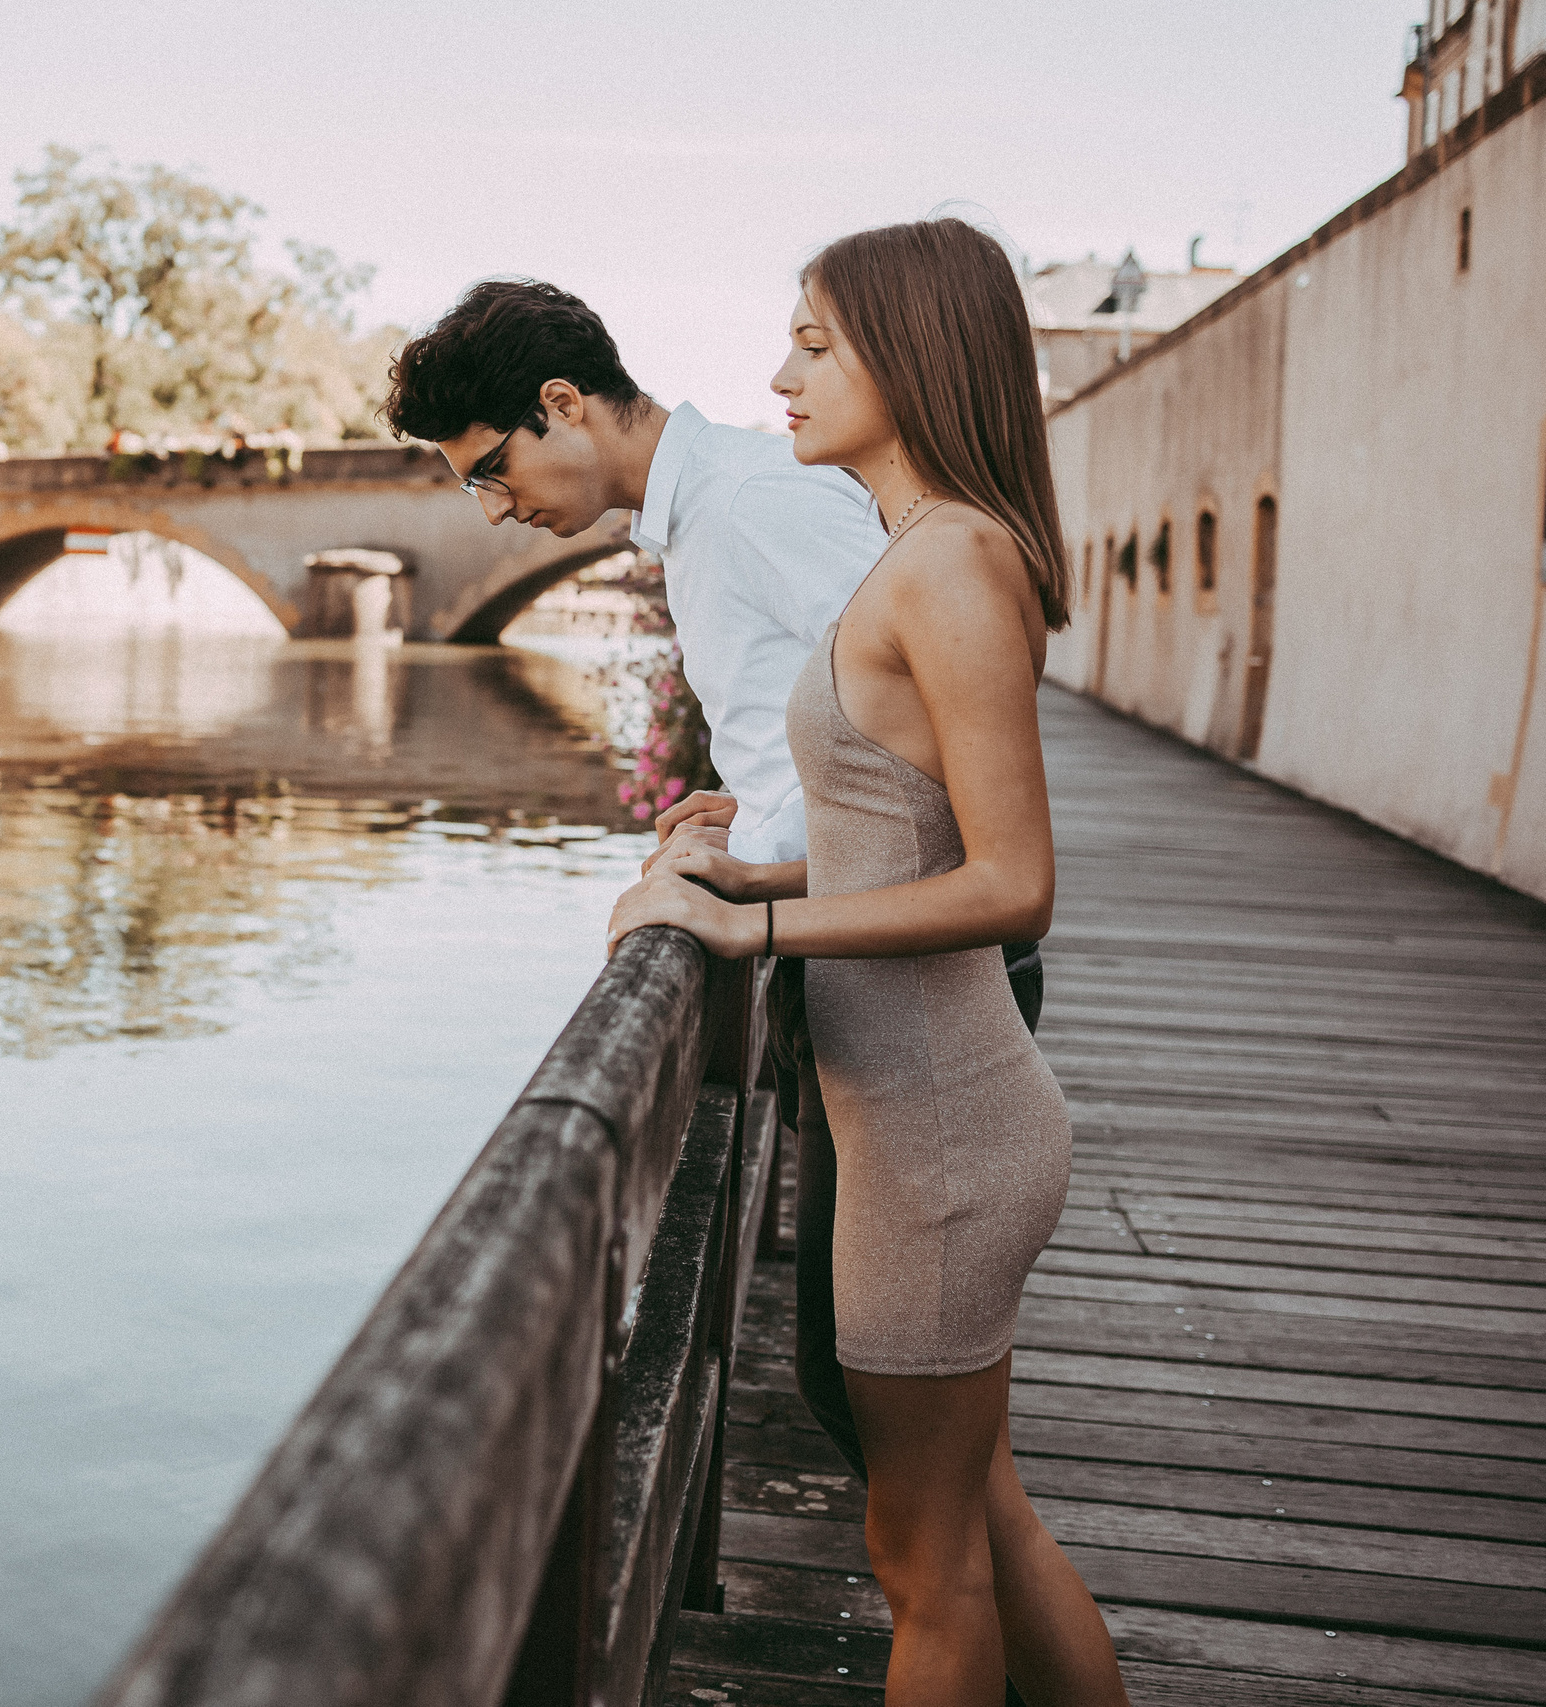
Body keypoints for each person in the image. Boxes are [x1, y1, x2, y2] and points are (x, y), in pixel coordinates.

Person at [378, 279, 1044, 1504]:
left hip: (922, 980)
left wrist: (748, 903)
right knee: (884, 1430)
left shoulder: (750, 504)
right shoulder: (711, 513)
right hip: (858, 949)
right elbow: (854, 725)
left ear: (563, 406)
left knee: (897, 1443)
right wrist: (758, 808)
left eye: (485, 470)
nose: (491, 511)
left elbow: (938, 728)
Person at [607, 219, 1128, 1705]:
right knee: (978, 1524)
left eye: (817, 341)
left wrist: (747, 928)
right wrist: (746, 867)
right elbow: (897, 838)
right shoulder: (916, 554)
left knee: (925, 1567)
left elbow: (1013, 884)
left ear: (913, 353)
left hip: (942, 1135)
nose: (779, 373)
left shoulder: (953, 563)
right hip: (920, 1115)